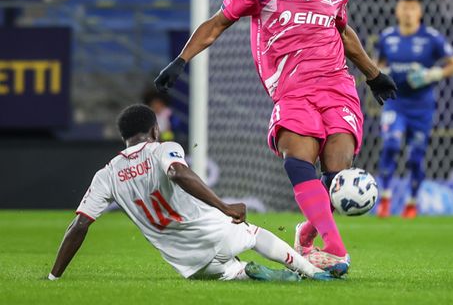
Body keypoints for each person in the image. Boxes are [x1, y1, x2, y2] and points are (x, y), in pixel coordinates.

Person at [154, 0, 396, 276]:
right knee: (298, 161)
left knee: (337, 171)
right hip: (293, 91)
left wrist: (373, 74)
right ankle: (335, 249)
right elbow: (217, 24)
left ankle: (307, 232)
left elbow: (343, 33)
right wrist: (181, 61)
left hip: (338, 87)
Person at [47, 104, 334, 282]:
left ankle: (243, 271)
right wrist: (225, 207)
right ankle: (311, 271)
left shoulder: (106, 174)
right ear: (155, 129)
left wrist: (54, 275)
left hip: (188, 262)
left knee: (226, 272)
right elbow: (177, 172)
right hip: (216, 233)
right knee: (254, 234)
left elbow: (80, 225)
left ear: (124, 137)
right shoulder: (163, 149)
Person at [375, 0, 453, 219]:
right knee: (391, 144)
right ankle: (384, 198)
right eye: (403, 8)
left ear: (420, 12)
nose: (407, 12)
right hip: (396, 103)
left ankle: (412, 203)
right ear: (396, 11)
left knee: (415, 156)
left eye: (412, 8)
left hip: (422, 107)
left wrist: (433, 73)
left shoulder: (432, 38)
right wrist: (381, 75)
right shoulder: (387, 37)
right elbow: (377, 64)